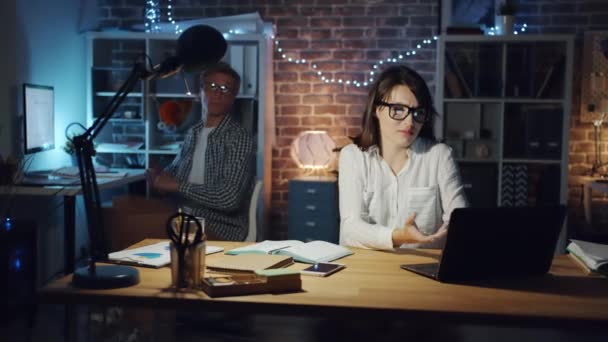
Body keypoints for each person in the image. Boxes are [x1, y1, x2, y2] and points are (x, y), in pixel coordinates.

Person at [339, 65, 467, 250]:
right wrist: (397, 237)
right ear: (377, 110)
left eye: (418, 113)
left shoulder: (439, 156)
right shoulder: (353, 157)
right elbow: (350, 229)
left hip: (422, 266)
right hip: (366, 266)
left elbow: (460, 219)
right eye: (398, 110)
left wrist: (445, 235)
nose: (410, 122)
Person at [147, 62, 254, 241]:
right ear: (200, 92)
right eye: (212, 86)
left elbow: (229, 198)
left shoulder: (238, 137)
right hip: (183, 217)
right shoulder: (193, 132)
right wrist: (158, 177)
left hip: (218, 226)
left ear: (233, 97)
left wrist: (176, 186)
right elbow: (173, 172)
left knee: (136, 226)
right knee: (121, 209)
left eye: (226, 89)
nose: (218, 93)